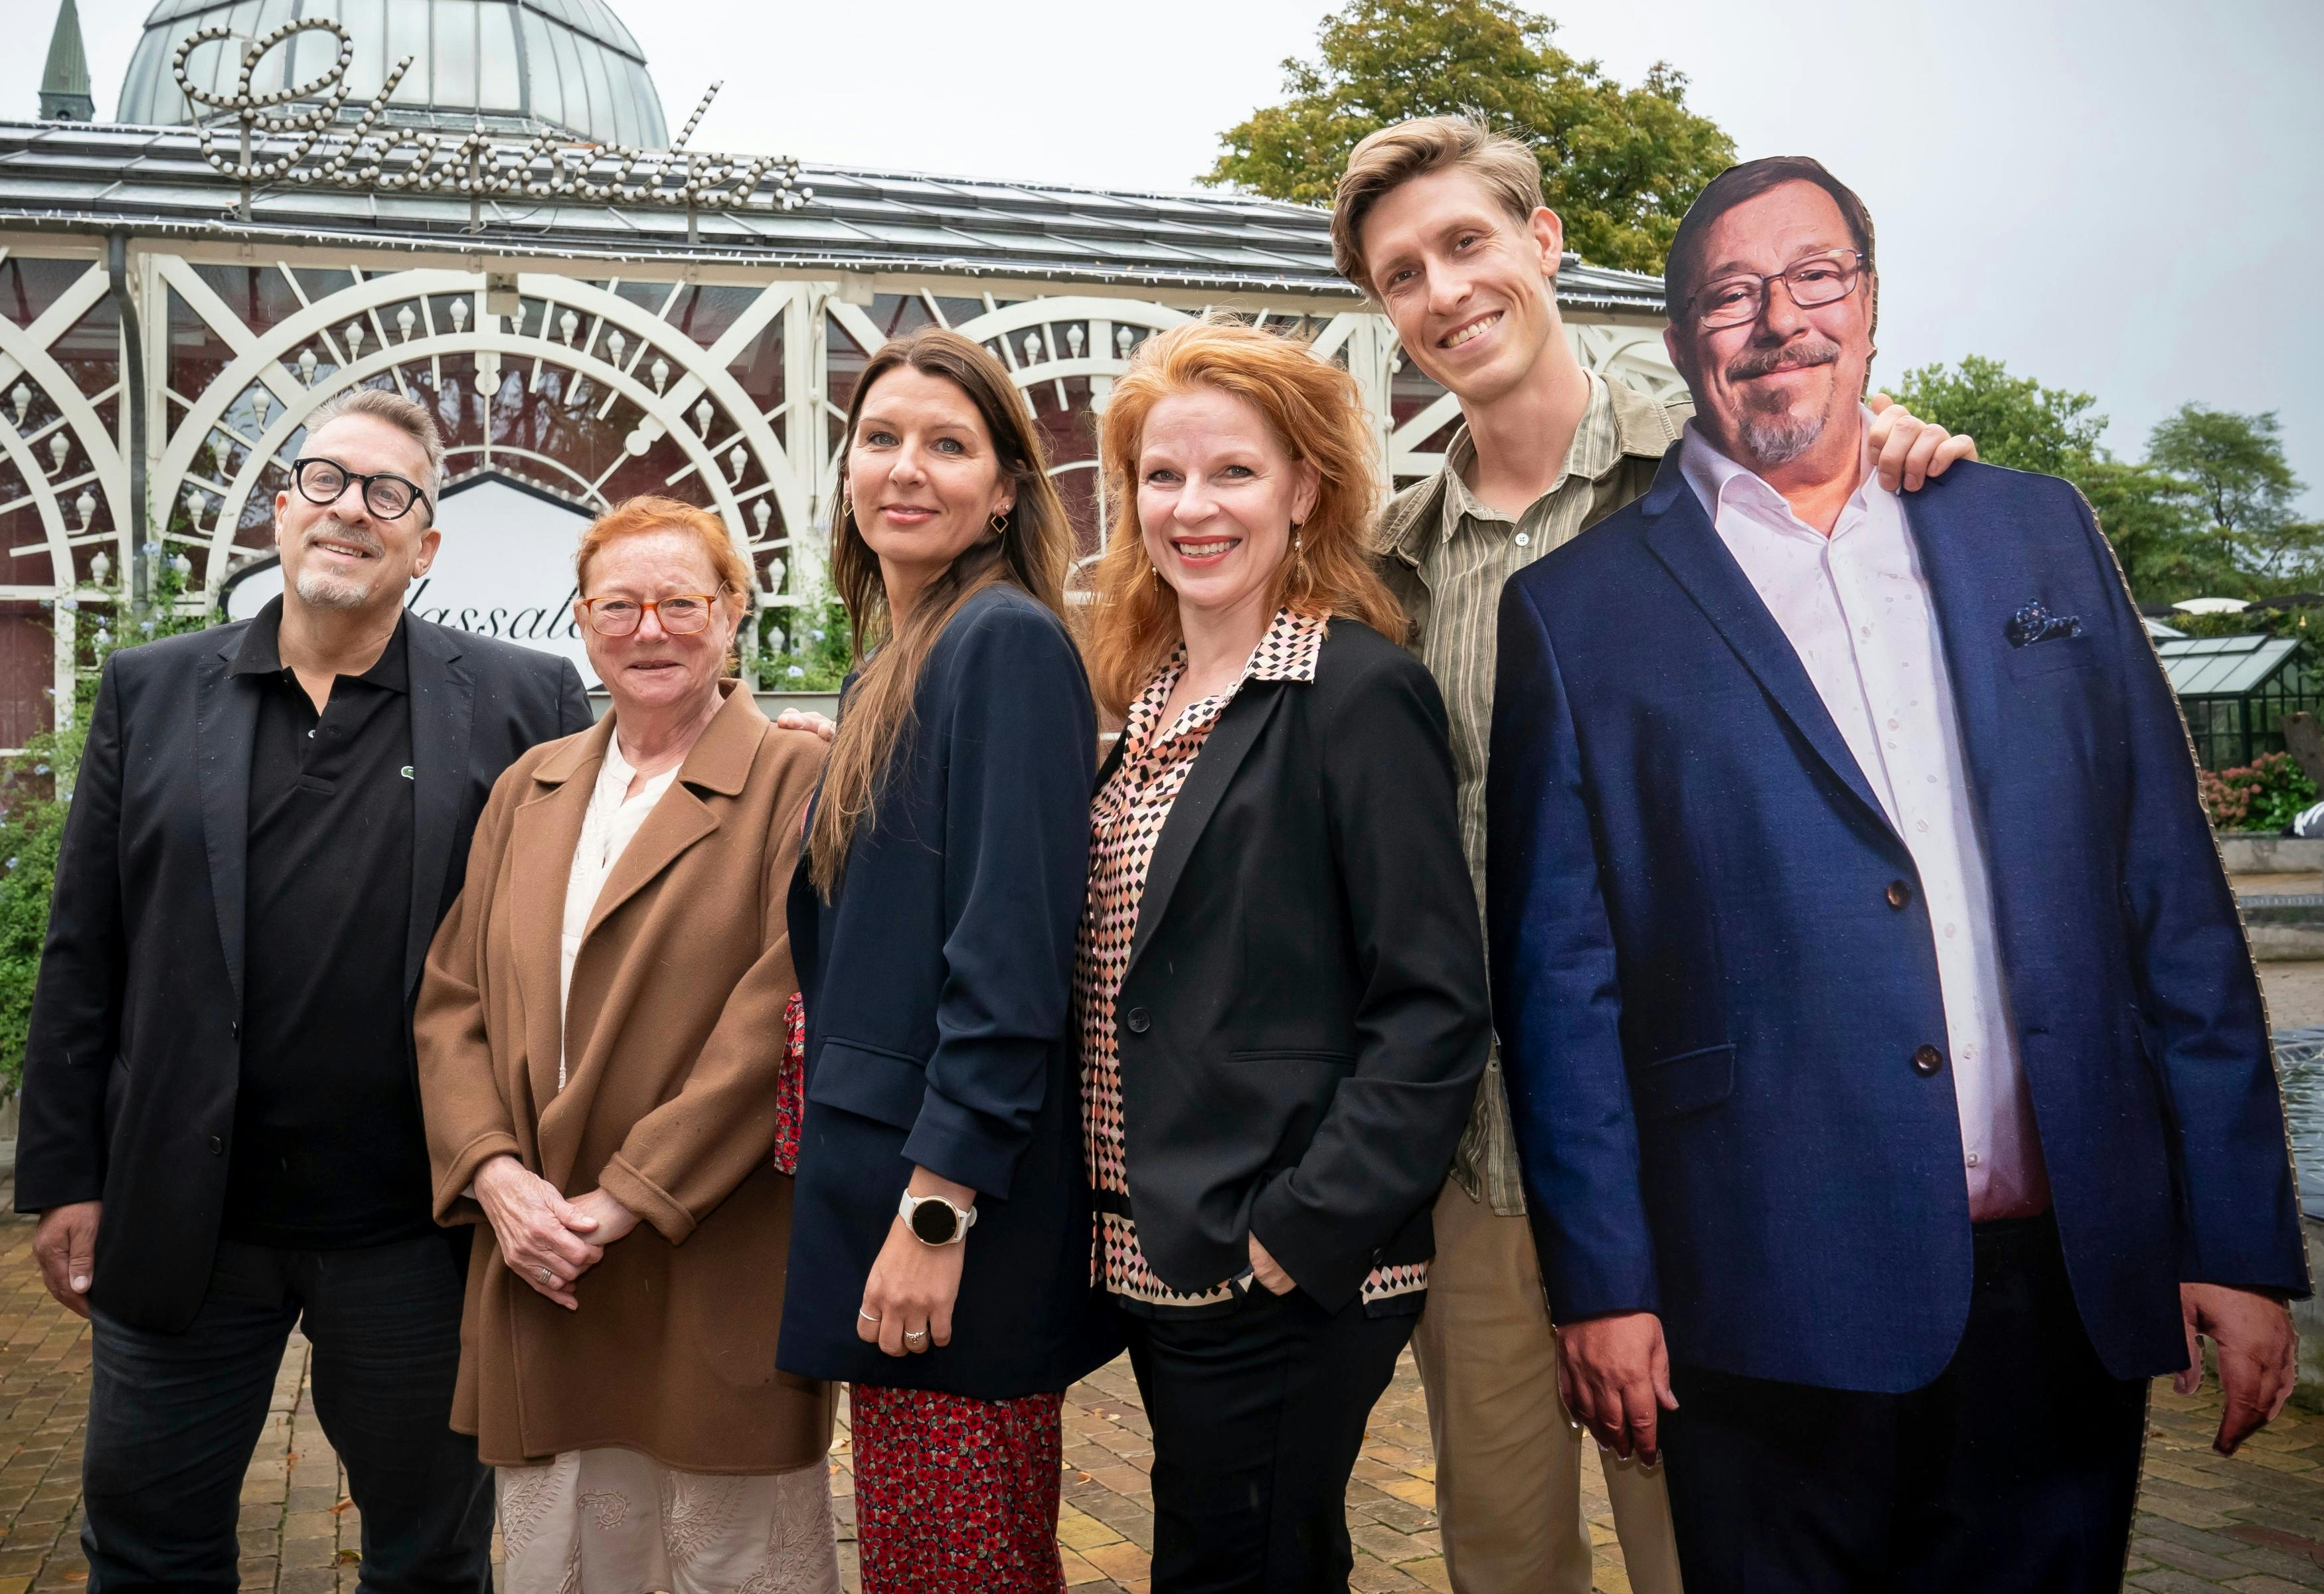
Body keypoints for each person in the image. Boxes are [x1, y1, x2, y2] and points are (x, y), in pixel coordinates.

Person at [1487, 154, 2308, 1593]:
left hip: (2060, 1287)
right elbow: (1561, 989)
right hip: (1760, 1291)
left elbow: (2168, 902)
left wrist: (2236, 1235)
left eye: (1814, 278)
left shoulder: (2028, 530)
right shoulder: (1575, 615)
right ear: (1681, 341)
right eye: (1726, 295)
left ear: (1867, 306)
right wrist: (1603, 1283)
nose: (1775, 319)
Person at [1329, 114, 1977, 1594]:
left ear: (1544, 242)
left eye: (1468, 243)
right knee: (1506, 1552)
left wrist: (1892, 445)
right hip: (1479, 1150)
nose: (1444, 291)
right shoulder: (1388, 566)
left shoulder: (1732, 477)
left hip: (1708, 1148)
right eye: (1402, 272)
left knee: (1719, 1547)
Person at [15, 387, 590, 1591]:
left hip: (416, 1226)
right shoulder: (151, 690)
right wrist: (63, 1176)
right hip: (187, 1217)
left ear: (427, 543)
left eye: (391, 494)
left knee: (430, 1555)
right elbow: (86, 949)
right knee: (148, 1549)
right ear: (280, 511)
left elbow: (571, 938)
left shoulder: (525, 697)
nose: (351, 511)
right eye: (324, 480)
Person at [1074, 317, 1489, 1592]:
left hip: (1279, 1267)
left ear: (1306, 488)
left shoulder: (1355, 692)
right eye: (1160, 474)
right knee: (1235, 1556)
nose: (1191, 506)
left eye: (1233, 472)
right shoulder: (1146, 689)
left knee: (1238, 1567)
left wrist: (1298, 1233)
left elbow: (1433, 1003)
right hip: (1150, 1249)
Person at [414, 495, 838, 1592]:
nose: (649, 629)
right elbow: (453, 999)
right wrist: (496, 1177)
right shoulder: (530, 784)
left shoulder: (800, 781)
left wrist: (629, 1194)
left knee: (726, 1559)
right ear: (584, 622)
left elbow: (780, 1012)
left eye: (681, 602)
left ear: (734, 612)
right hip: (540, 1260)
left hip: (704, 1249)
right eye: (619, 604)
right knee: (565, 1559)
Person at [776, 327, 1115, 1593]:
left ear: (1005, 488)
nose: (903, 470)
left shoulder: (1007, 644)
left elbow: (1011, 958)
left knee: (964, 1563)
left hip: (953, 1215)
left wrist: (937, 1208)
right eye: (879, 439)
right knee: (919, 1558)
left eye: (946, 445)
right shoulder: (903, 654)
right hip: (888, 1194)